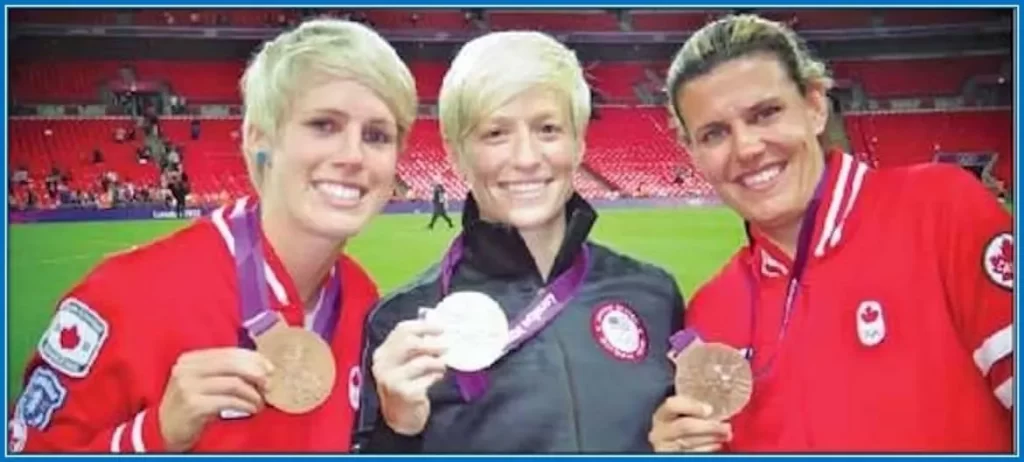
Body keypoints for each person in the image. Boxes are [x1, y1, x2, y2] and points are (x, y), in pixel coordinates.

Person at [8, 18, 417, 453]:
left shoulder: (363, 301)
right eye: (323, 125)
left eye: (377, 135)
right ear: (261, 138)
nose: (353, 155)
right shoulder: (124, 296)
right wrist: (152, 436)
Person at [648, 14, 1013, 452]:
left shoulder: (941, 211)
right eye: (714, 134)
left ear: (816, 106)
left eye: (766, 113)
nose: (746, 148)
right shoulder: (710, 312)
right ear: (693, 154)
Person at [354, 30, 685, 453]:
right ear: (456, 154)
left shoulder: (654, 294)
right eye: (495, 134)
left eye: (548, 129)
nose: (526, 158)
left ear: (579, 142)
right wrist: (395, 431)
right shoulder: (403, 326)